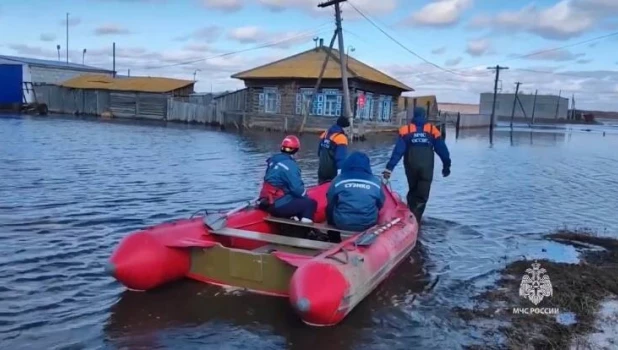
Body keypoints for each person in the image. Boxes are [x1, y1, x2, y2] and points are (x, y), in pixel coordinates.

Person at [382, 106, 451, 222]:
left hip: (411, 165)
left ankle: (410, 215)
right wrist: (446, 165)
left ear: (414, 116)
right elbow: (442, 149)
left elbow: (398, 151)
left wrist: (389, 168)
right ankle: (416, 219)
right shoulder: (432, 130)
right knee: (422, 195)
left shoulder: (406, 130)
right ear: (424, 116)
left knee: (413, 190)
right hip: (427, 167)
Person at [258, 135, 317, 224]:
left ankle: (292, 219)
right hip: (276, 204)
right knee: (310, 204)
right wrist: (305, 197)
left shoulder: (273, 160)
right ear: (296, 150)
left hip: (265, 201)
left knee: (294, 199)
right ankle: (304, 232)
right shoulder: (290, 166)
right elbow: (297, 190)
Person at [326, 151, 385, 233]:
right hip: (368, 223)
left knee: (329, 209)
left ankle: (333, 238)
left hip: (342, 223)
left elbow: (330, 200)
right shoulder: (375, 182)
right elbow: (380, 203)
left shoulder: (338, 180)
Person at [317, 116, 350, 184]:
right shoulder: (341, 138)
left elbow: (318, 153)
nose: (348, 132)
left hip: (321, 172)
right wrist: (340, 176)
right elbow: (341, 159)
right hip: (332, 174)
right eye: (348, 129)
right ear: (344, 127)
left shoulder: (325, 134)